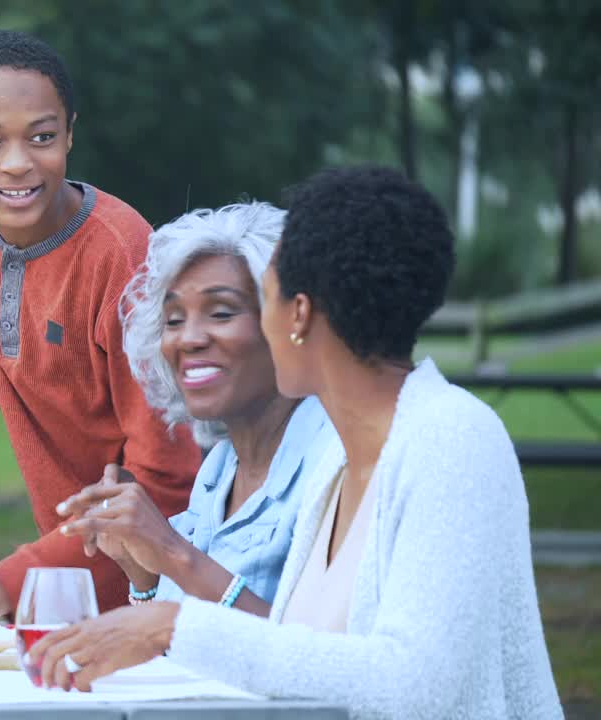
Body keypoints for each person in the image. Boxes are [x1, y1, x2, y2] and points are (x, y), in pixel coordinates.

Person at [30, 167, 562, 719]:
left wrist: (176, 625)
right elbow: (300, 663)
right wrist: (151, 590)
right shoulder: (340, 463)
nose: (193, 337)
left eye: (258, 300)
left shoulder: (450, 437)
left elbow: (418, 684)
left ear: (298, 314)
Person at [0, 29, 200, 616]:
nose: (17, 164)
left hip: (159, 575)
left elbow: (166, 472)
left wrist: (13, 580)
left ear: (69, 133)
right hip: (60, 575)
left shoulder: (123, 252)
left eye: (41, 137)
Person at [55, 202, 342, 616]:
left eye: (221, 313)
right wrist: (143, 572)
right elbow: (189, 636)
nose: (188, 339)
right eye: (173, 319)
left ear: (290, 322)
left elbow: (314, 657)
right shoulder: (220, 468)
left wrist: (174, 554)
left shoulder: (334, 464)